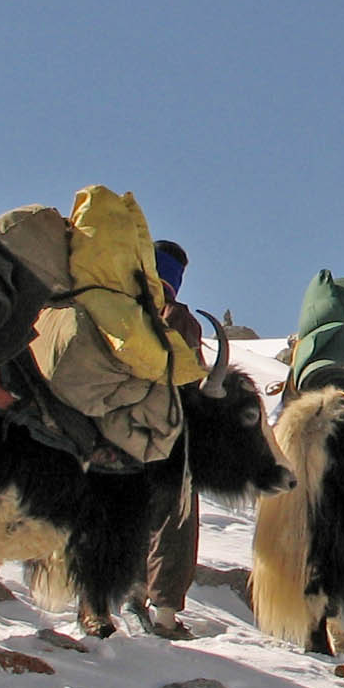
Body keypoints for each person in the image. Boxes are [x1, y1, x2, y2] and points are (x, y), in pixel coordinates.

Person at [140, 239, 207, 640]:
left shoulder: (120, 307)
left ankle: (118, 595)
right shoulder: (179, 318)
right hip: (167, 430)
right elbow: (192, 379)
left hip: (113, 425)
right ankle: (164, 615)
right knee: (174, 521)